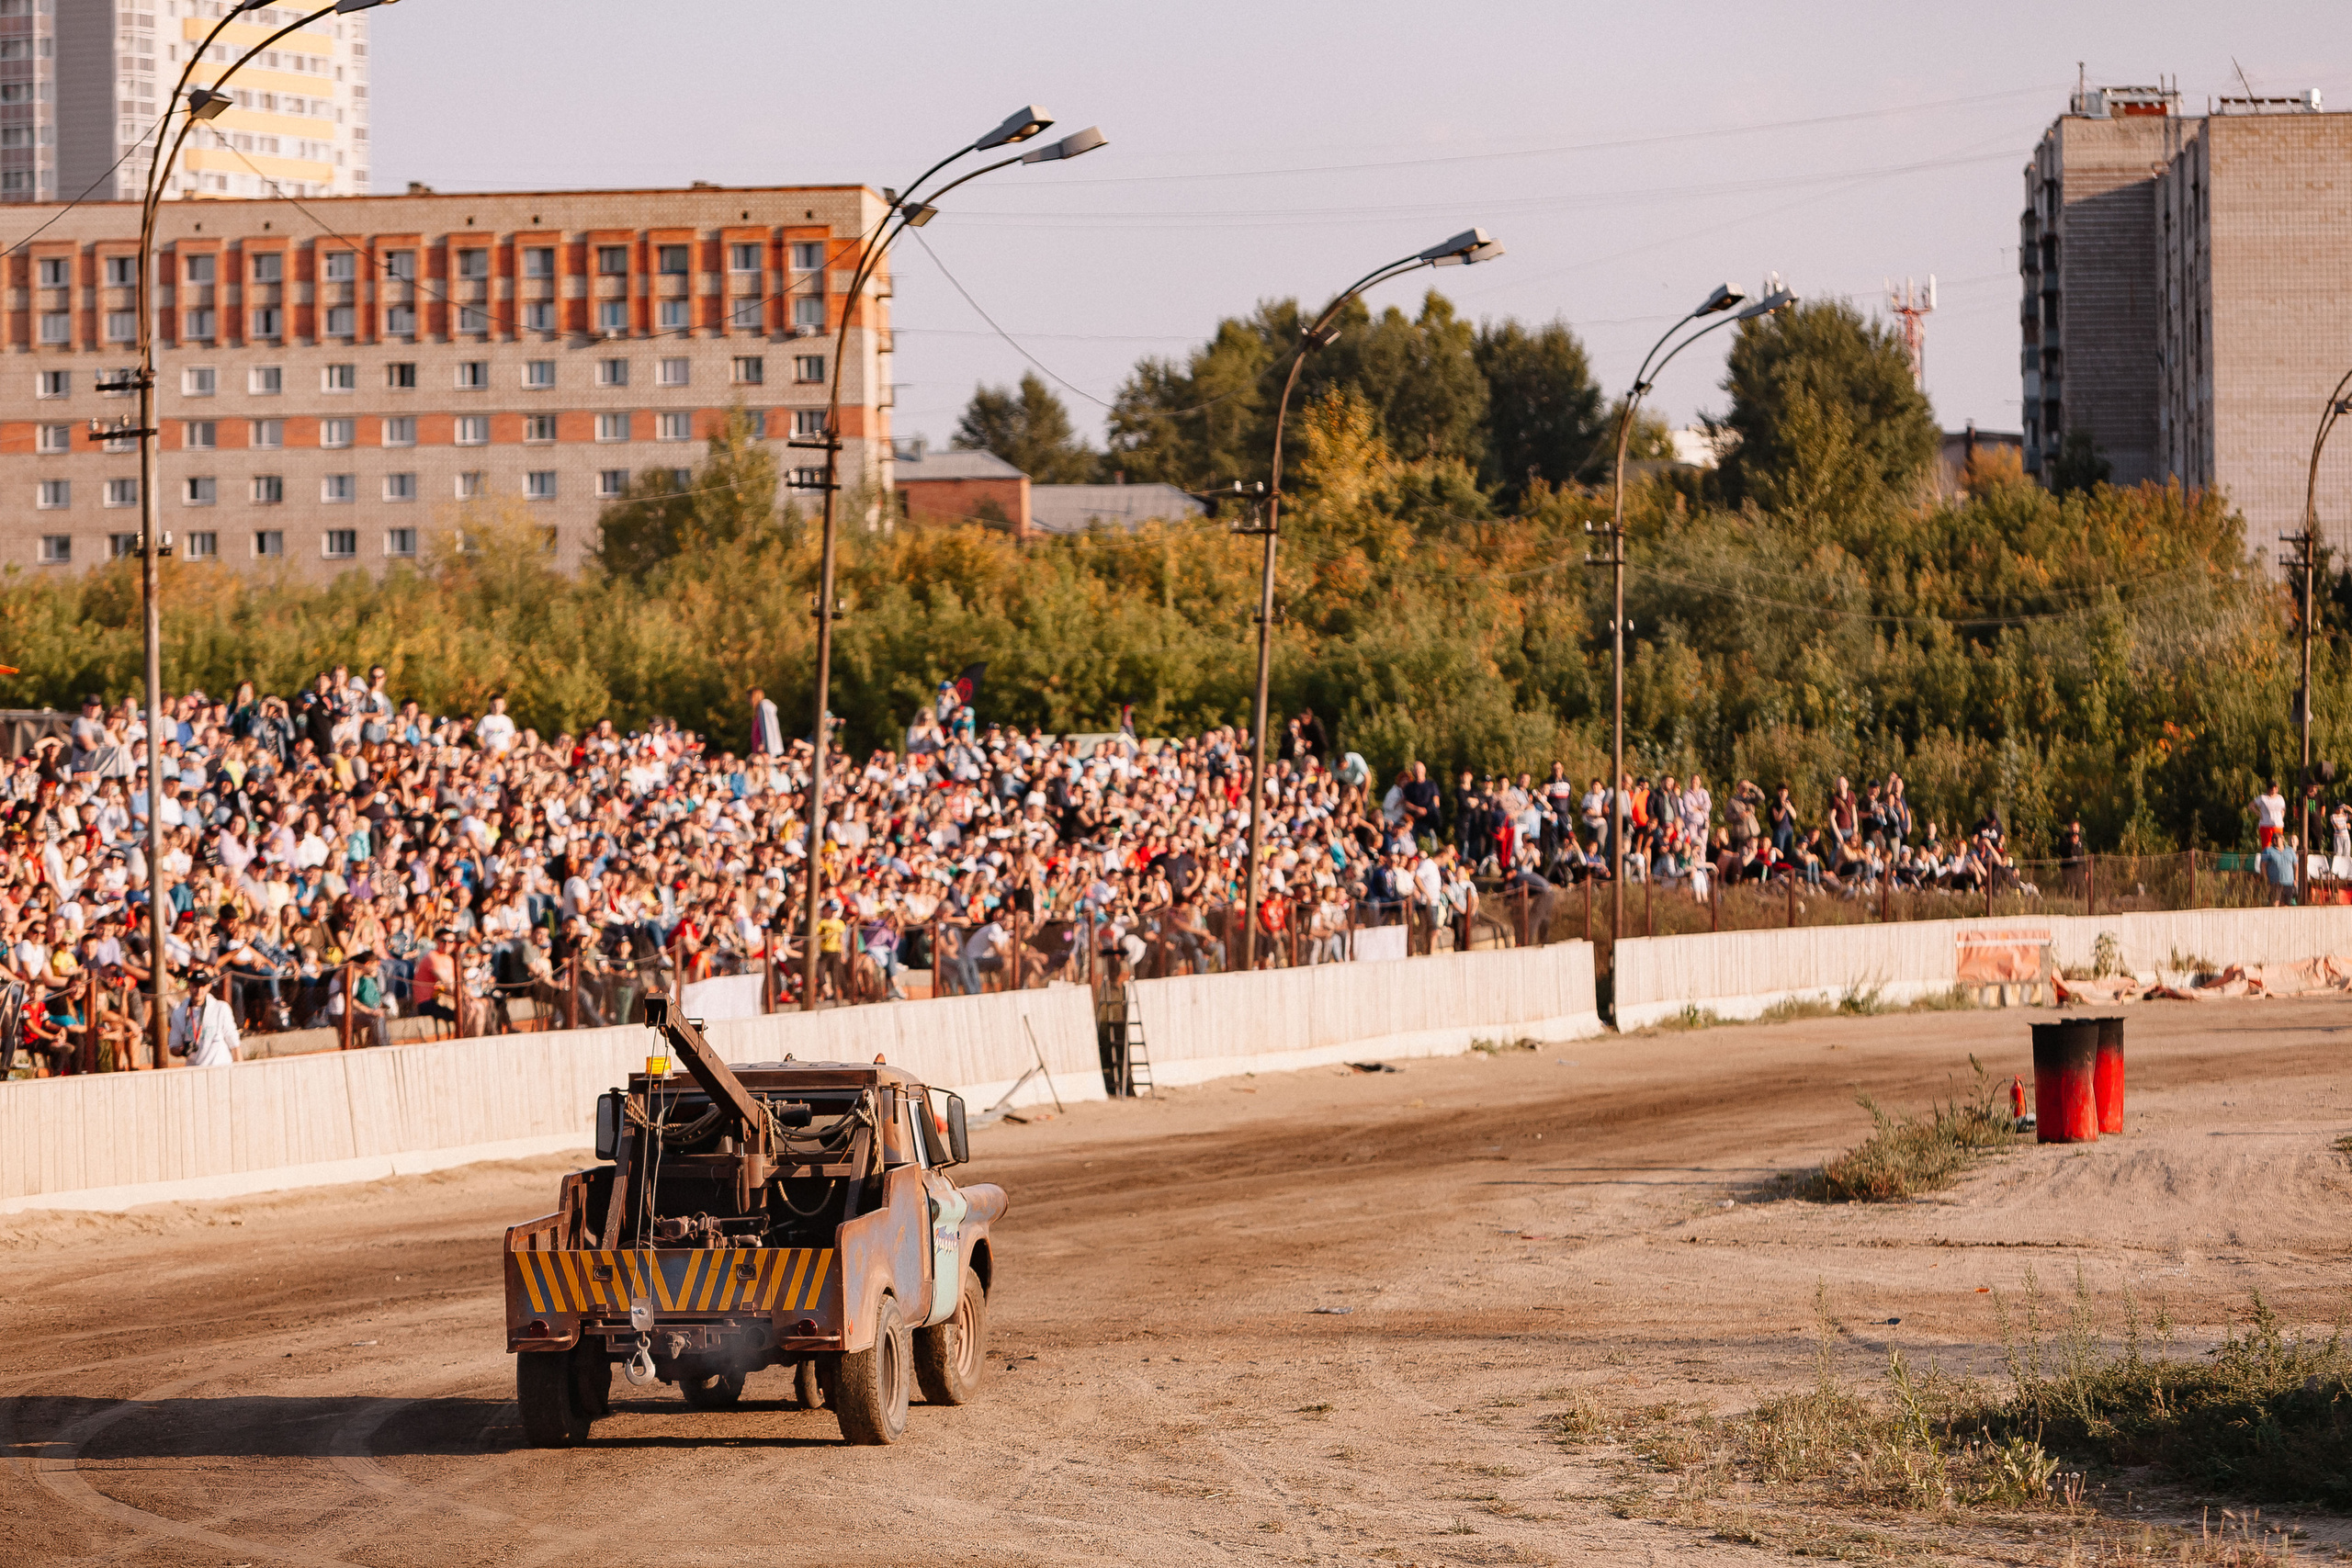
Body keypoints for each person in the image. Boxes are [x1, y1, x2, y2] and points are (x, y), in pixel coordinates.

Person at [2261, 832, 2300, 906]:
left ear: (2282, 840)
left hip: (2288, 882)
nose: (2274, 840)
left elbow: (2296, 865)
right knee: (2275, 903)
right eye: (2273, 839)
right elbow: (2263, 866)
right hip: (2275, 882)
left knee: (2287, 904)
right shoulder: (2268, 851)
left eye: (2276, 839)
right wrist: (2266, 879)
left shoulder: (2290, 850)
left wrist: (2296, 879)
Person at [749, 686, 785, 757]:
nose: (748, 701)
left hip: (766, 752)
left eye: (749, 698)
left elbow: (768, 728)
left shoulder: (764, 706)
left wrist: (766, 745)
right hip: (758, 750)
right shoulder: (757, 713)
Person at [2252, 781, 2288, 850]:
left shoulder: (2280, 798)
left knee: (2279, 844)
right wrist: (2259, 814)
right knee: (2267, 846)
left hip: (2278, 825)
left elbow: (2283, 809)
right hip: (2266, 825)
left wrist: (2281, 817)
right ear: (2269, 789)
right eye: (2273, 788)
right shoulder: (2262, 798)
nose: (2275, 789)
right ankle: (2266, 859)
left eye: (2276, 787)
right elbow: (2251, 805)